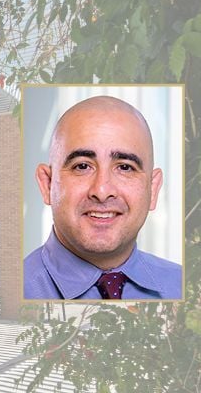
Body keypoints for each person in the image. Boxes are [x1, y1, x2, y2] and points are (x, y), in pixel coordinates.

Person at [24, 95, 181, 300]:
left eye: (125, 167)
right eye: (82, 166)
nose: (102, 190)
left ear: (153, 189)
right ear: (47, 184)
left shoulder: (182, 285)